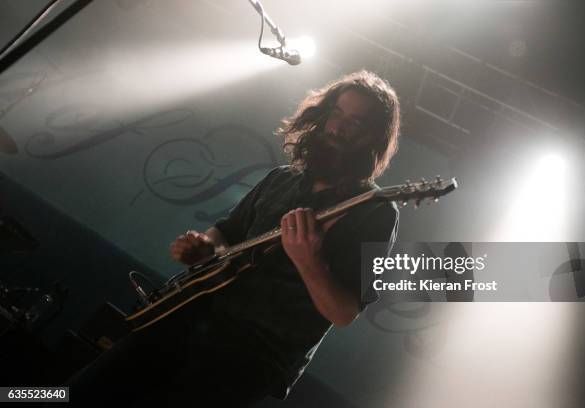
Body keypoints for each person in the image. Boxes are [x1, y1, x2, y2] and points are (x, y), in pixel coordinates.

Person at [66, 70, 401, 407]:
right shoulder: (281, 179)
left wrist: (307, 260)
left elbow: (343, 313)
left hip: (247, 360)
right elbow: (225, 233)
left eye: (355, 123)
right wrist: (205, 249)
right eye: (337, 113)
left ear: (374, 137)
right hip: (186, 318)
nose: (337, 128)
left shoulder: (375, 213)